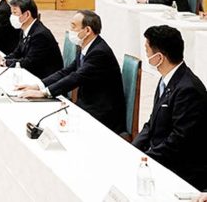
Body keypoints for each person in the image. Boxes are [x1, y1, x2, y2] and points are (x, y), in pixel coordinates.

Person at [17, 11, 127, 133]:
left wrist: (45, 93)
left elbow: (75, 77)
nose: (71, 30)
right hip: (87, 105)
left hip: (102, 113)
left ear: (87, 30)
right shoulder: (86, 46)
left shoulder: (99, 52)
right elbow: (67, 71)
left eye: (74, 26)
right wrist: (38, 86)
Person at [132, 25, 207, 190]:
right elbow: (151, 123)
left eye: (147, 50)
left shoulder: (188, 89)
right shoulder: (166, 79)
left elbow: (178, 140)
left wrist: (145, 160)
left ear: (160, 57)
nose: (146, 55)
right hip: (161, 157)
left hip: (182, 170)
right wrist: (132, 151)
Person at [0, 0, 62, 79]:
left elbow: (29, 63)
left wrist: (3, 62)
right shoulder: (24, 29)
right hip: (31, 72)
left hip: (44, 79)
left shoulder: (40, 35)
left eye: (15, 13)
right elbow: (17, 53)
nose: (12, 16)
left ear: (27, 14)